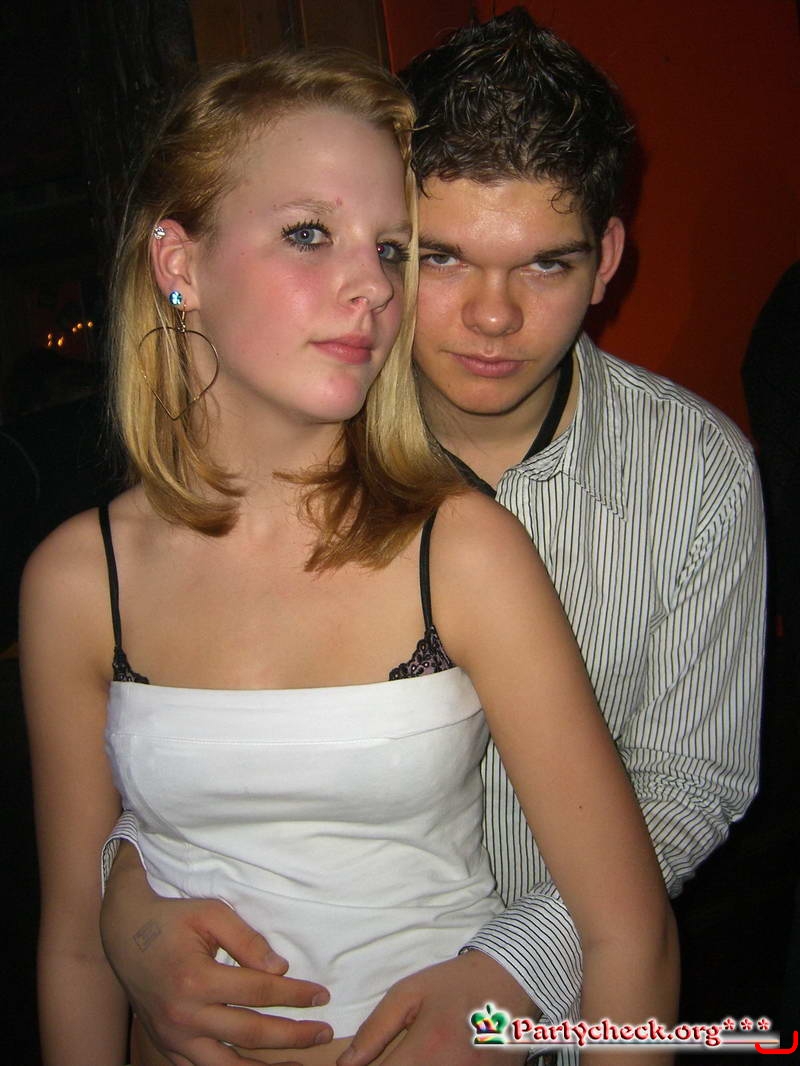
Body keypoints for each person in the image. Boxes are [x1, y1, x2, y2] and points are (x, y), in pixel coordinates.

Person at [98, 10, 764, 1065]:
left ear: (606, 260)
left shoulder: (699, 474)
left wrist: (516, 966)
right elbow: (169, 738)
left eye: (545, 265)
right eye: (442, 257)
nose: (493, 318)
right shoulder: (278, 418)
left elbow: (688, 781)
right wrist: (125, 908)